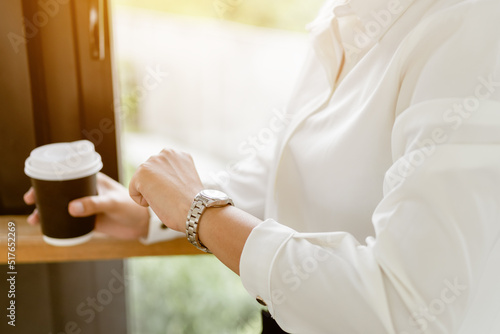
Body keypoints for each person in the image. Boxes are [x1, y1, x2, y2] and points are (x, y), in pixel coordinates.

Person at [25, 0, 500, 333]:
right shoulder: (346, 12)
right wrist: (155, 213)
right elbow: (288, 166)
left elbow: (408, 311)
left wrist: (201, 212)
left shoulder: (469, 31)